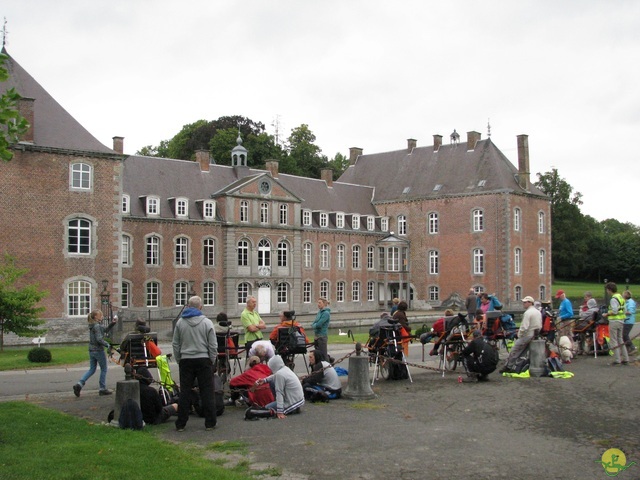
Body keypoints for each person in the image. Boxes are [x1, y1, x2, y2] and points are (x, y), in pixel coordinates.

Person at [172, 295, 217, 432]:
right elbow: (213, 345)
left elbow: (175, 344)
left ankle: (181, 423)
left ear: (188, 306)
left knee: (185, 392)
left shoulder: (180, 323)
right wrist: (211, 359)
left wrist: (179, 359)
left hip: (186, 359)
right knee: (207, 392)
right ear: (200, 307)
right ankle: (210, 422)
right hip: (203, 358)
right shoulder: (207, 323)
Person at [73, 310, 117, 397]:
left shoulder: (94, 326)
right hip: (98, 350)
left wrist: (112, 323)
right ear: (96, 317)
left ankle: (79, 384)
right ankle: (102, 388)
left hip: (91, 350)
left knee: (92, 369)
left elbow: (105, 330)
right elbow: (99, 339)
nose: (102, 316)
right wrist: (108, 345)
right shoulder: (97, 326)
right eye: (100, 315)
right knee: (104, 369)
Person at [500, 296, 542, 373]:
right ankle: (518, 366)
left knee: (514, 350)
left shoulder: (527, 313)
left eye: (525, 302)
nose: (523, 304)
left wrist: (519, 334)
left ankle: (508, 366)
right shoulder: (537, 312)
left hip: (527, 335)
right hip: (534, 335)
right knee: (523, 352)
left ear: (530, 303)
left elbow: (524, 327)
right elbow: (539, 325)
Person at [256, 355, 305, 419]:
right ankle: (279, 404)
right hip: (298, 401)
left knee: (266, 409)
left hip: (292, 403)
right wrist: (265, 380)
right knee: (271, 382)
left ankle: (281, 406)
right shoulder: (285, 369)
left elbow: (279, 392)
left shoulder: (280, 374)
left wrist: (280, 411)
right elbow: (274, 376)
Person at [602, 282, 629, 366]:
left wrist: (606, 314)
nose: (607, 291)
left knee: (614, 340)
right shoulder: (621, 297)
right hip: (621, 320)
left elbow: (614, 311)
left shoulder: (613, 299)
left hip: (614, 321)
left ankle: (617, 360)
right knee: (620, 339)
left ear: (610, 290)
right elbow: (624, 310)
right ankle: (626, 358)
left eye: (607, 290)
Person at [622, 290, 636, 355]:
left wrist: (622, 312)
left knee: (625, 335)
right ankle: (627, 349)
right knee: (624, 335)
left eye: (623, 294)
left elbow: (630, 312)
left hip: (629, 321)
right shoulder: (627, 302)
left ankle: (632, 348)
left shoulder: (630, 302)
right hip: (626, 321)